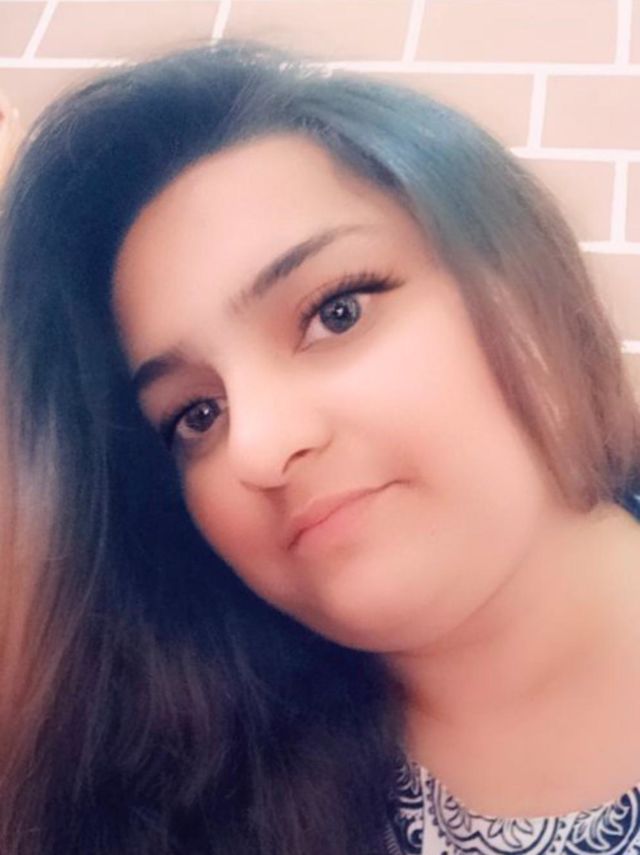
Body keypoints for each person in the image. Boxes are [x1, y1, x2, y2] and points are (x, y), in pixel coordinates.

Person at [1, 39, 640, 855]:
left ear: (521, 289)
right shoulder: (194, 805)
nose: (258, 448)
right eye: (196, 414)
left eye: (336, 313)